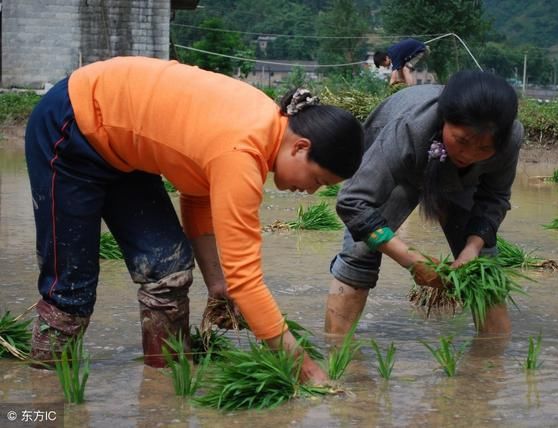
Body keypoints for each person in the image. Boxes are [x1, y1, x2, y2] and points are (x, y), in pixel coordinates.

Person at [25, 56, 364, 384]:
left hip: (125, 150)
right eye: (317, 180)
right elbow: (246, 281)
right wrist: (304, 369)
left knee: (167, 272)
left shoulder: (264, 128)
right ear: (300, 147)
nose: (309, 191)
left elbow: (197, 193)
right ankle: (45, 396)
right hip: (72, 126)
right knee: (71, 293)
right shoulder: (242, 152)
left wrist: (217, 284)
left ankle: (164, 390)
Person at [324, 70, 523, 337]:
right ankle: (337, 353)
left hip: (460, 182)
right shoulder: (409, 127)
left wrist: (471, 250)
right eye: (462, 141)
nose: (469, 154)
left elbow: (494, 199)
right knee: (361, 250)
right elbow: (353, 202)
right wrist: (411, 261)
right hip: (401, 170)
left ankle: (492, 363)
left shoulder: (509, 140)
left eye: (484, 149)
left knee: (483, 268)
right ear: (444, 121)